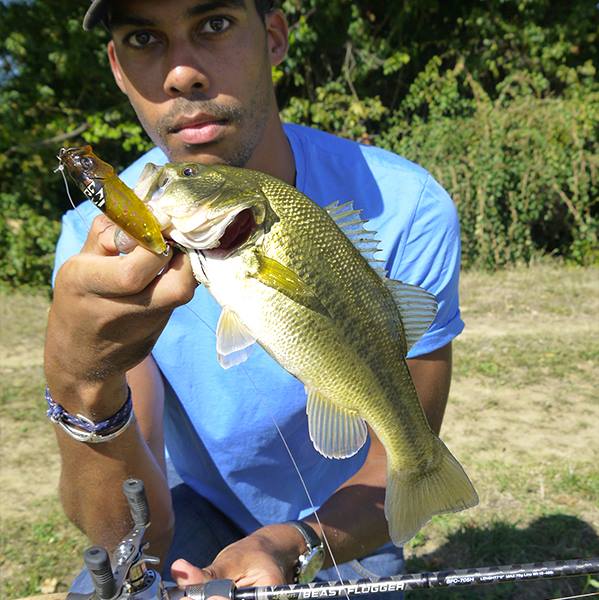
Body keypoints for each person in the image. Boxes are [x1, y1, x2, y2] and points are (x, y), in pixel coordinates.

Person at [45, 0, 464, 596]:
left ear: (273, 36)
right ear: (117, 67)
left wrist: (292, 542)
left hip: (345, 517)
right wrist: (78, 379)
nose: (180, 74)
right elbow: (137, 539)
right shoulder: (94, 244)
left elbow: (397, 457)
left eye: (213, 24)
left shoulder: (409, 206)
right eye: (144, 38)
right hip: (194, 508)